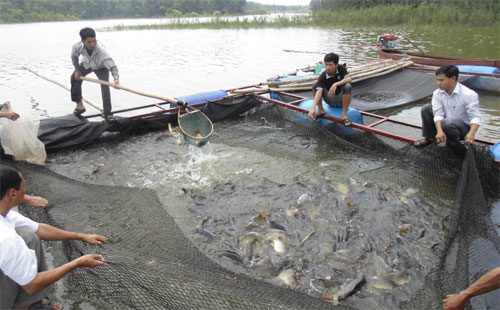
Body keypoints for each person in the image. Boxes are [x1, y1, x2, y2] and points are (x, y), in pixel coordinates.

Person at [0, 165, 106, 310]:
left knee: (29, 236)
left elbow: (40, 229)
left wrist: (81, 236)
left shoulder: (7, 214)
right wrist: (77, 263)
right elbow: (32, 284)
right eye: (24, 186)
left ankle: (31, 301)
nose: (26, 191)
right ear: (12, 193)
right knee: (28, 276)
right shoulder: (6, 238)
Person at [414, 65, 480, 157]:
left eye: (441, 80)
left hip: (462, 129)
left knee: (447, 122)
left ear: (453, 78)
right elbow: (438, 113)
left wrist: (471, 134)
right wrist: (439, 131)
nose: (438, 83)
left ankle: (455, 148)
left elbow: (475, 117)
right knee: (426, 108)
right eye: (437, 80)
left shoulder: (469, 94)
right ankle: (430, 139)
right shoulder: (437, 93)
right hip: (446, 123)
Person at [70, 27, 120, 120]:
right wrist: (77, 70)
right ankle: (80, 106)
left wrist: (116, 80)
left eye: (94, 41)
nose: (93, 44)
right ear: (83, 41)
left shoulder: (101, 51)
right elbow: (74, 57)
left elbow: (112, 66)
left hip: (101, 66)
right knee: (74, 78)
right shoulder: (77, 47)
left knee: (105, 85)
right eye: (89, 42)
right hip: (87, 64)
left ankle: (108, 112)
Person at [308, 52, 353, 126]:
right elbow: (319, 91)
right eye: (326, 65)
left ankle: (344, 115)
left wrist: (335, 84)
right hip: (329, 100)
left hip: (340, 101)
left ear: (336, 65)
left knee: (347, 86)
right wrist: (313, 108)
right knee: (315, 85)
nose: (328, 67)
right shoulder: (323, 75)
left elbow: (349, 79)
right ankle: (320, 110)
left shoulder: (341, 68)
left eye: (330, 65)